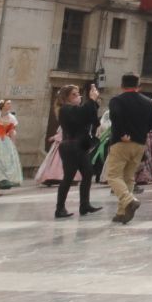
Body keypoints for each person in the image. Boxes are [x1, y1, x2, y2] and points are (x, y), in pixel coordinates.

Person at [103, 74, 152, 225]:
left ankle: (129, 200)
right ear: (138, 85)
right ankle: (121, 212)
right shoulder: (147, 102)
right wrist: (141, 133)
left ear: (122, 85)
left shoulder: (117, 100)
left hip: (121, 142)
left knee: (113, 175)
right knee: (128, 177)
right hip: (140, 143)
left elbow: (115, 117)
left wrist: (122, 134)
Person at [54, 83, 103, 219]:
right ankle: (60, 208)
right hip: (70, 146)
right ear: (66, 97)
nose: (77, 96)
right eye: (73, 95)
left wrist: (93, 102)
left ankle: (84, 204)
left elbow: (89, 116)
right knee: (68, 177)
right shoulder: (65, 109)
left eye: (77, 94)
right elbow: (82, 114)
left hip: (80, 146)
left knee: (88, 173)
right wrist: (91, 99)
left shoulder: (76, 109)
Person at [0, 100, 24, 192]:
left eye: (10, 104)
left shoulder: (11, 118)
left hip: (5, 142)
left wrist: (13, 144)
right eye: (8, 103)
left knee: (5, 162)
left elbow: (12, 131)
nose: (9, 105)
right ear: (2, 105)